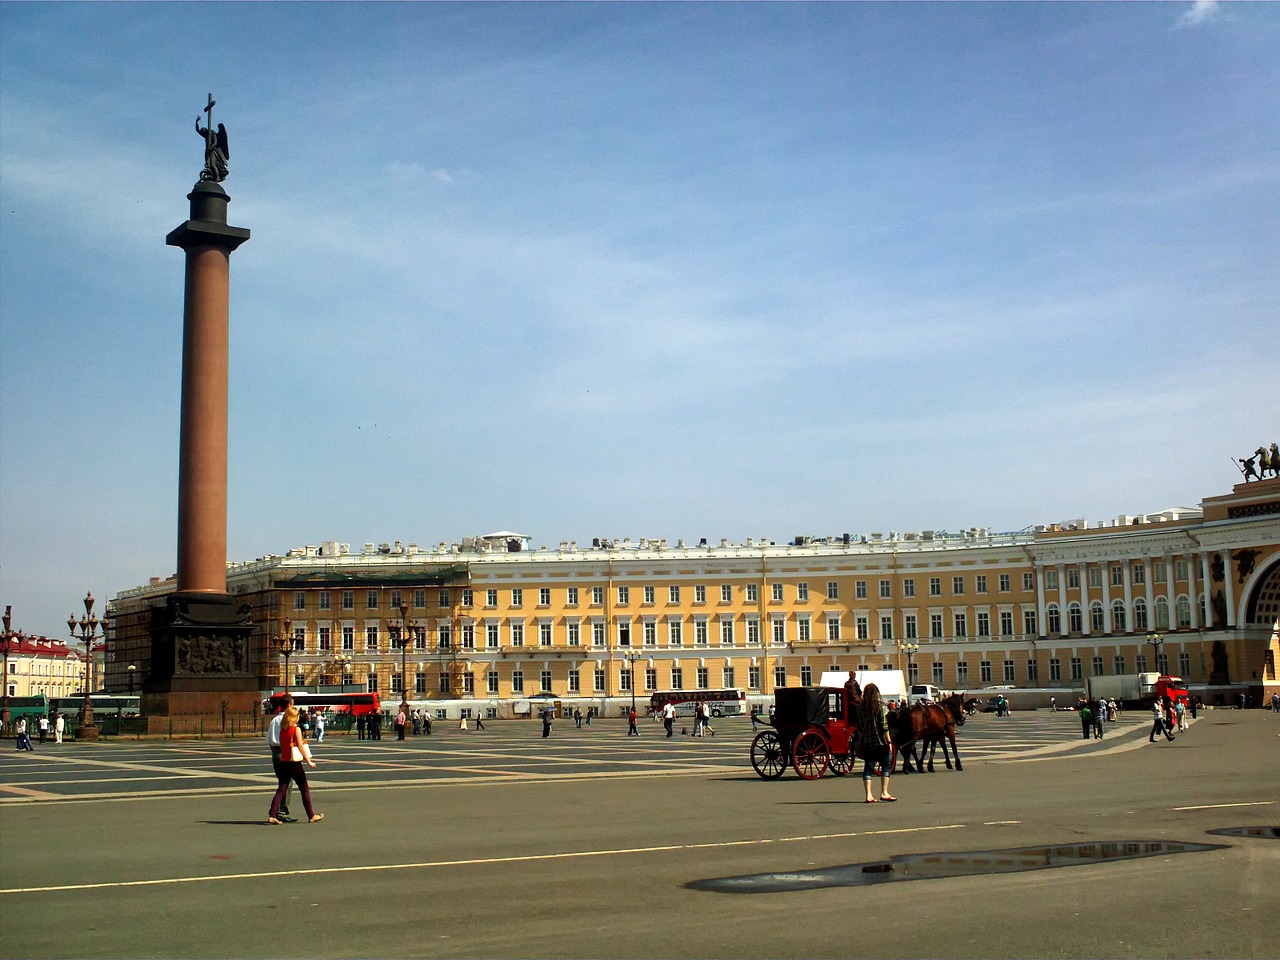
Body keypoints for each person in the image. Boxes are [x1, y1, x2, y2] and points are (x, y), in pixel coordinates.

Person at [267, 704, 323, 825]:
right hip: (294, 763)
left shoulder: (283, 730)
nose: (298, 718)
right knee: (304, 788)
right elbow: (300, 746)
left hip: (284, 761)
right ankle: (311, 815)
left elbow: (285, 745)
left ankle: (272, 814)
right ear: (293, 718)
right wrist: (309, 760)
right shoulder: (295, 729)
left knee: (282, 788)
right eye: (297, 716)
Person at [856, 683, 895, 803]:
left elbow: (859, 726)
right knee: (886, 765)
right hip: (880, 742)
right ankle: (884, 792)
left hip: (866, 743)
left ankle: (868, 795)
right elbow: (884, 727)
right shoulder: (879, 707)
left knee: (868, 767)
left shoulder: (860, 708)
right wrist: (889, 741)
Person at [266, 697, 296, 822]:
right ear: (289, 705)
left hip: (275, 751)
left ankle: (277, 811)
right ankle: (280, 811)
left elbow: (269, 739)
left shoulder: (274, 720)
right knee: (287, 783)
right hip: (285, 751)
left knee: (283, 782)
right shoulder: (288, 720)